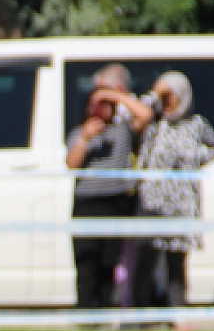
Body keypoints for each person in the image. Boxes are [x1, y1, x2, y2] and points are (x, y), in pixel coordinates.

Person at [133, 72, 214, 321]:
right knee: (146, 263)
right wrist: (155, 94)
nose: (168, 102)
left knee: (176, 266)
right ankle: (139, 318)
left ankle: (178, 316)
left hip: (181, 205)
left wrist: (195, 159)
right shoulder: (154, 124)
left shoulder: (196, 124)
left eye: (171, 95)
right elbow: (138, 114)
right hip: (152, 204)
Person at [65, 64, 153, 312]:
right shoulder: (79, 133)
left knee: (108, 263)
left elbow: (144, 115)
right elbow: (71, 165)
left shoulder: (123, 130)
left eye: (105, 103)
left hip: (115, 202)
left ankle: (103, 312)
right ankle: (85, 314)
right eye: (95, 102)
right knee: (86, 262)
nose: (99, 107)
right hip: (87, 202)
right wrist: (85, 138)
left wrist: (112, 94)